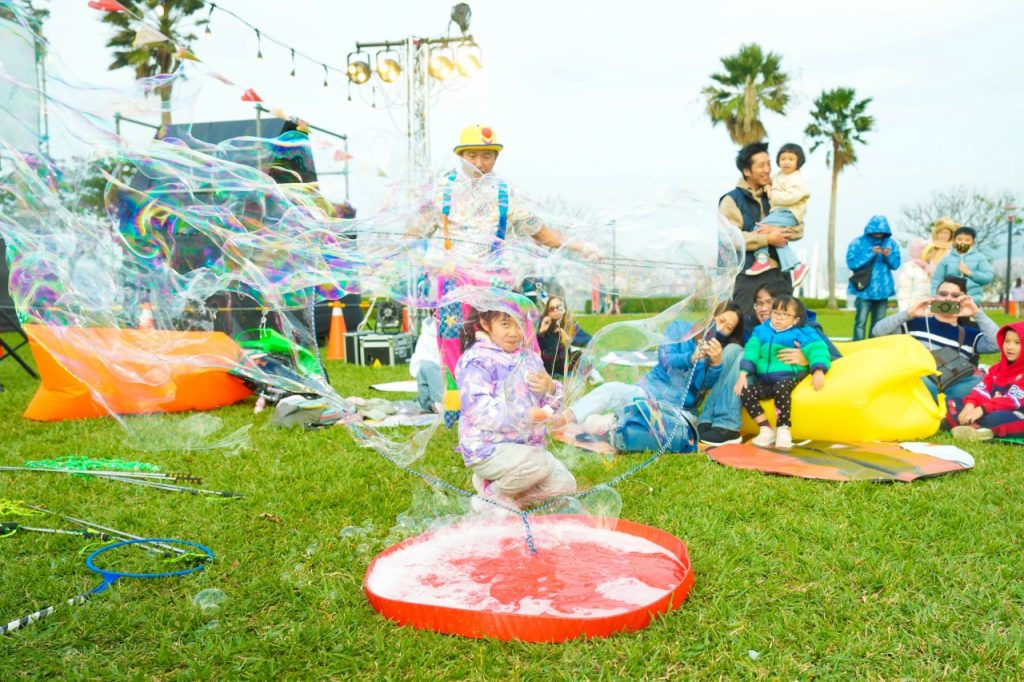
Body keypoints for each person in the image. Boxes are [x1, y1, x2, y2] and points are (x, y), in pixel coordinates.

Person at [553, 304, 742, 438]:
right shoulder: (680, 328)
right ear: (712, 315)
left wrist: (715, 364)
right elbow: (666, 359)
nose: (721, 328)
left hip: (676, 409)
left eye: (728, 328)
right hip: (648, 392)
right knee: (612, 390)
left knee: (667, 429)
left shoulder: (717, 352)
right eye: (721, 320)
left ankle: (611, 422)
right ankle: (565, 418)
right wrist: (691, 358)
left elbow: (701, 388)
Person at [456, 307, 576, 512]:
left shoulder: (529, 358)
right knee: (540, 463)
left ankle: (508, 486)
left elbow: (549, 405)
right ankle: (490, 496)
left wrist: (551, 388)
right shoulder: (476, 360)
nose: (514, 332)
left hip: (526, 448)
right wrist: (525, 416)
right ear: (486, 324)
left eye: (518, 324)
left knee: (565, 485)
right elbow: (478, 410)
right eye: (505, 324)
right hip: (487, 448)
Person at [697, 283, 840, 447]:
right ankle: (706, 419)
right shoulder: (756, 327)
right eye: (759, 303)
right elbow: (737, 347)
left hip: (783, 377)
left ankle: (727, 426)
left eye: (769, 303)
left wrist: (806, 360)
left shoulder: (805, 329)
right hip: (756, 373)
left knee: (743, 354)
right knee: (732, 349)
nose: (764, 308)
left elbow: (834, 355)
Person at [872, 275, 999, 401]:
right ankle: (948, 404)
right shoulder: (915, 323)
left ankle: (947, 404)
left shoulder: (969, 333)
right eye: (943, 294)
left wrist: (976, 313)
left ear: (963, 300)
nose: (948, 298)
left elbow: (997, 344)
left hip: (952, 384)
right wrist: (908, 313)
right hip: (919, 380)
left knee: (985, 382)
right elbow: (878, 332)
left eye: (955, 295)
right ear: (935, 297)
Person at [734, 295, 831, 449]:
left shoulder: (803, 332)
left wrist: (818, 370)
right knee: (745, 392)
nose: (779, 318)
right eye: (776, 313)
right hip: (765, 380)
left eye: (785, 314)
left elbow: (818, 349)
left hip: (789, 376)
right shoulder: (761, 331)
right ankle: (766, 428)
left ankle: (783, 428)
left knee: (781, 388)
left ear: (796, 319)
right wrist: (743, 374)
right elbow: (751, 350)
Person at [719, 142, 802, 314]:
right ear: (747, 171)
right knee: (746, 323)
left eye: (769, 164)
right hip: (748, 276)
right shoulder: (731, 200)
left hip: (780, 276)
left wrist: (776, 231)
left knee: (782, 324)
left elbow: (798, 228)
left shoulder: (777, 194)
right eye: (761, 165)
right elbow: (729, 239)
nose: (767, 170)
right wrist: (767, 239)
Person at [943, 321, 1024, 441]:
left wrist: (982, 409)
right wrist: (971, 404)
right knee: (951, 401)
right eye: (1007, 341)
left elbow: (1013, 401)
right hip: (987, 408)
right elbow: (981, 389)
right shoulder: (996, 369)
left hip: (1014, 414)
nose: (1009, 347)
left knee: (998, 418)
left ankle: (968, 425)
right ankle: (975, 427)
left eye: (1017, 343)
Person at [745, 143, 810, 288]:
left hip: (788, 212)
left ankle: (762, 259)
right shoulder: (779, 175)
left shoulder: (797, 179)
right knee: (777, 239)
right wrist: (768, 187)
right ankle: (797, 267)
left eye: (791, 159)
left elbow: (792, 197)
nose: (786, 162)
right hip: (780, 212)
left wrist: (773, 195)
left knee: (760, 229)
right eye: (783, 159)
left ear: (798, 162)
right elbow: (770, 184)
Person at [846, 215, 901, 341]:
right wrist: (870, 253)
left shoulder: (891, 244)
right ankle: (858, 345)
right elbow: (852, 264)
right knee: (860, 322)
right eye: (876, 231)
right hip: (864, 289)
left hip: (883, 290)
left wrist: (888, 256)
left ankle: (875, 346)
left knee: (879, 323)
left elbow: (895, 265)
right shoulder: (858, 243)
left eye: (881, 232)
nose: (878, 234)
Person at [930, 227, 992, 301]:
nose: (963, 242)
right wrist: (934, 296)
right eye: (959, 239)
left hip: (972, 298)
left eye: (967, 240)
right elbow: (937, 279)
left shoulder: (980, 258)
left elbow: (988, 277)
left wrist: (970, 273)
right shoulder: (946, 259)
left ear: (973, 242)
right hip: (949, 299)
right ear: (954, 241)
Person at [537, 296, 592, 377]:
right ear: (548, 312)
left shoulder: (568, 323)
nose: (555, 310)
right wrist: (541, 331)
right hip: (547, 365)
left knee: (581, 355)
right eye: (552, 309)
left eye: (558, 307)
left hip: (564, 364)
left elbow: (588, 339)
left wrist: (570, 339)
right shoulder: (543, 322)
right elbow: (531, 347)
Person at [409, 314, 442, 413]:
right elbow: (420, 364)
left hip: (450, 380)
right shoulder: (427, 334)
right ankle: (437, 403)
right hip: (432, 380)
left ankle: (438, 403)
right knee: (428, 367)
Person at [896, 238, 931, 311]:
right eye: (929, 252)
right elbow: (903, 295)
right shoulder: (909, 269)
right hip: (914, 311)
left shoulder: (929, 268)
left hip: (928, 311)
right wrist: (904, 314)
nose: (931, 254)